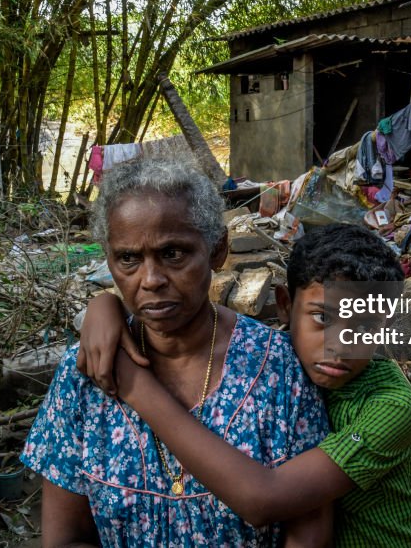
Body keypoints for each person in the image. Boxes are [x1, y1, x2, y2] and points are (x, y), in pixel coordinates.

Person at [20, 156, 330, 547]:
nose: (150, 281)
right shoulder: (85, 374)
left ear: (217, 249)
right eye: (128, 259)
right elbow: (66, 538)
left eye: (173, 254)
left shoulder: (281, 370)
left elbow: (308, 532)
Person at [81, 223, 411, 547]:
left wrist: (133, 385)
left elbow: (264, 500)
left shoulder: (389, 406)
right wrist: (105, 305)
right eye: (323, 317)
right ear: (285, 305)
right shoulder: (278, 357)